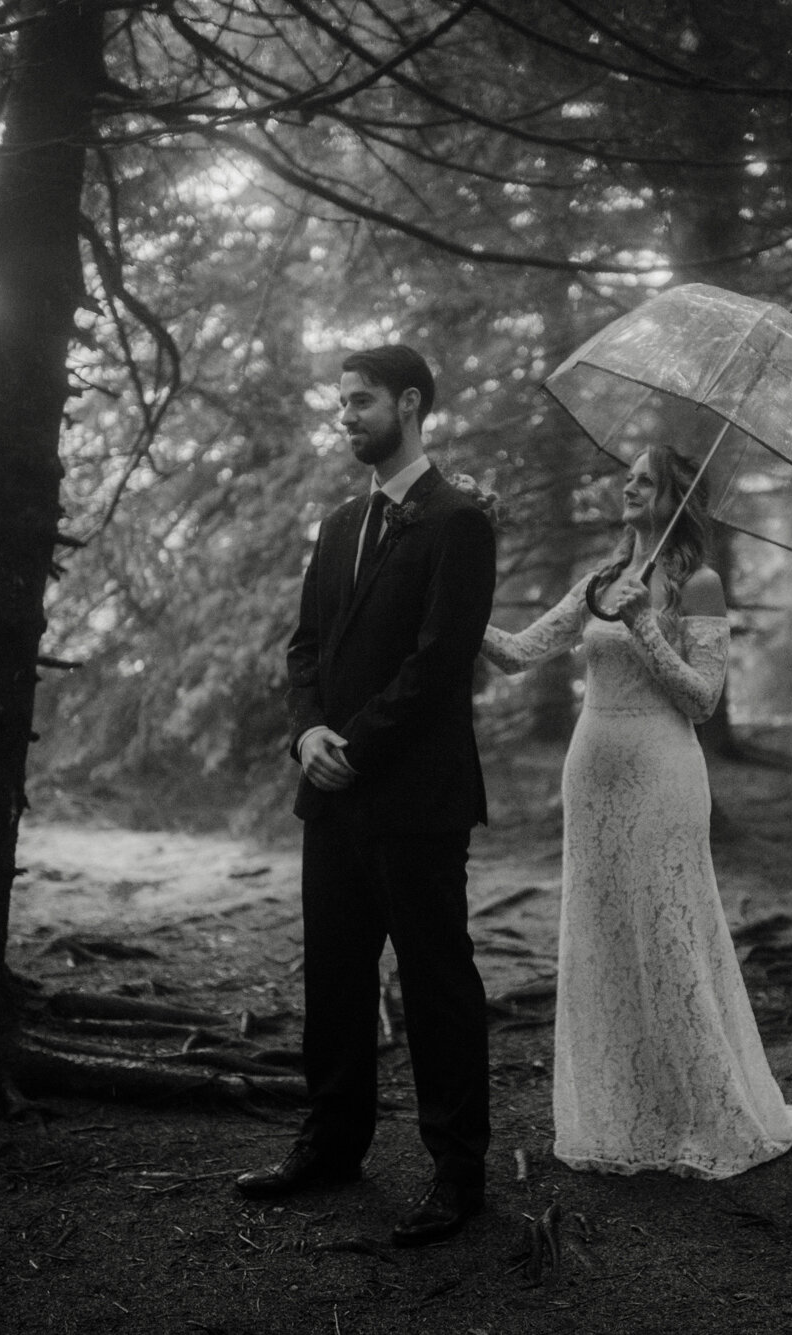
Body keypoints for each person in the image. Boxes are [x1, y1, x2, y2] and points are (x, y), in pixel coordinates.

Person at [479, 444, 792, 1178]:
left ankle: (704, 1110)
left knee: (667, 929)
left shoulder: (698, 584)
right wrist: (455, 609)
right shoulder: (600, 581)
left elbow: (703, 698)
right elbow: (518, 652)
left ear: (677, 492)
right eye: (627, 475)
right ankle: (624, 1108)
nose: (628, 483)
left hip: (663, 775)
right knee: (604, 932)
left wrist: (647, 624)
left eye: (645, 476)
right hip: (592, 780)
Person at [237, 345, 496, 1247]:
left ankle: (459, 1173)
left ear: (411, 404)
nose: (345, 416)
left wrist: (357, 745)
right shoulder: (341, 522)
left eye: (361, 401)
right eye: (340, 402)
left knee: (436, 986)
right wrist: (309, 734)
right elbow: (306, 645)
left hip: (418, 800)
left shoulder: (461, 522)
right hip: (333, 794)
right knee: (336, 981)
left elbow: (439, 661)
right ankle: (333, 1143)